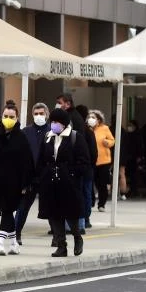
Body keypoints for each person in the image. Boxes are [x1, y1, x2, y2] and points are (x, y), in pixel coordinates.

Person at [37, 108, 90, 257]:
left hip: (69, 184)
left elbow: (84, 162)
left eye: (57, 122)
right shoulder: (48, 137)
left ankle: (77, 237)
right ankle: (61, 245)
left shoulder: (75, 137)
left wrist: (71, 173)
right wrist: (42, 175)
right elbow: (41, 160)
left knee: (71, 214)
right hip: (50, 184)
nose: (54, 124)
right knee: (54, 215)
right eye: (52, 121)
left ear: (64, 123)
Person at [0, 101, 34, 255]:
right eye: (5, 116)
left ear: (17, 118)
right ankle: (13, 243)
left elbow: (27, 161)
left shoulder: (21, 137)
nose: (8, 119)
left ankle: (0, 243)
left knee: (7, 209)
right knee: (7, 211)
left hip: (15, 182)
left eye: (11, 116)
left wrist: (26, 183)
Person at [15, 102, 50, 242]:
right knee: (23, 207)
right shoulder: (25, 131)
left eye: (41, 113)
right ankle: (15, 234)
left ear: (47, 115)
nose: (38, 116)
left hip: (47, 175)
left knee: (51, 207)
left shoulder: (52, 131)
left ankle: (58, 236)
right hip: (29, 176)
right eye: (36, 114)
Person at [87, 109, 115, 212]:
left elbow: (112, 140)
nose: (91, 119)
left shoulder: (105, 128)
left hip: (103, 161)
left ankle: (101, 204)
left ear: (98, 119)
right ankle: (91, 201)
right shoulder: (87, 129)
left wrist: (107, 142)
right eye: (89, 117)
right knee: (90, 182)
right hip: (91, 161)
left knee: (102, 184)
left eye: (93, 117)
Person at [119, 120, 143, 200]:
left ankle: (134, 190)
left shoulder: (138, 135)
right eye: (128, 125)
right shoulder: (125, 135)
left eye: (131, 125)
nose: (129, 127)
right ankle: (127, 190)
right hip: (126, 157)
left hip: (134, 158)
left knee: (133, 175)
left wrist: (139, 157)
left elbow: (140, 147)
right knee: (126, 174)